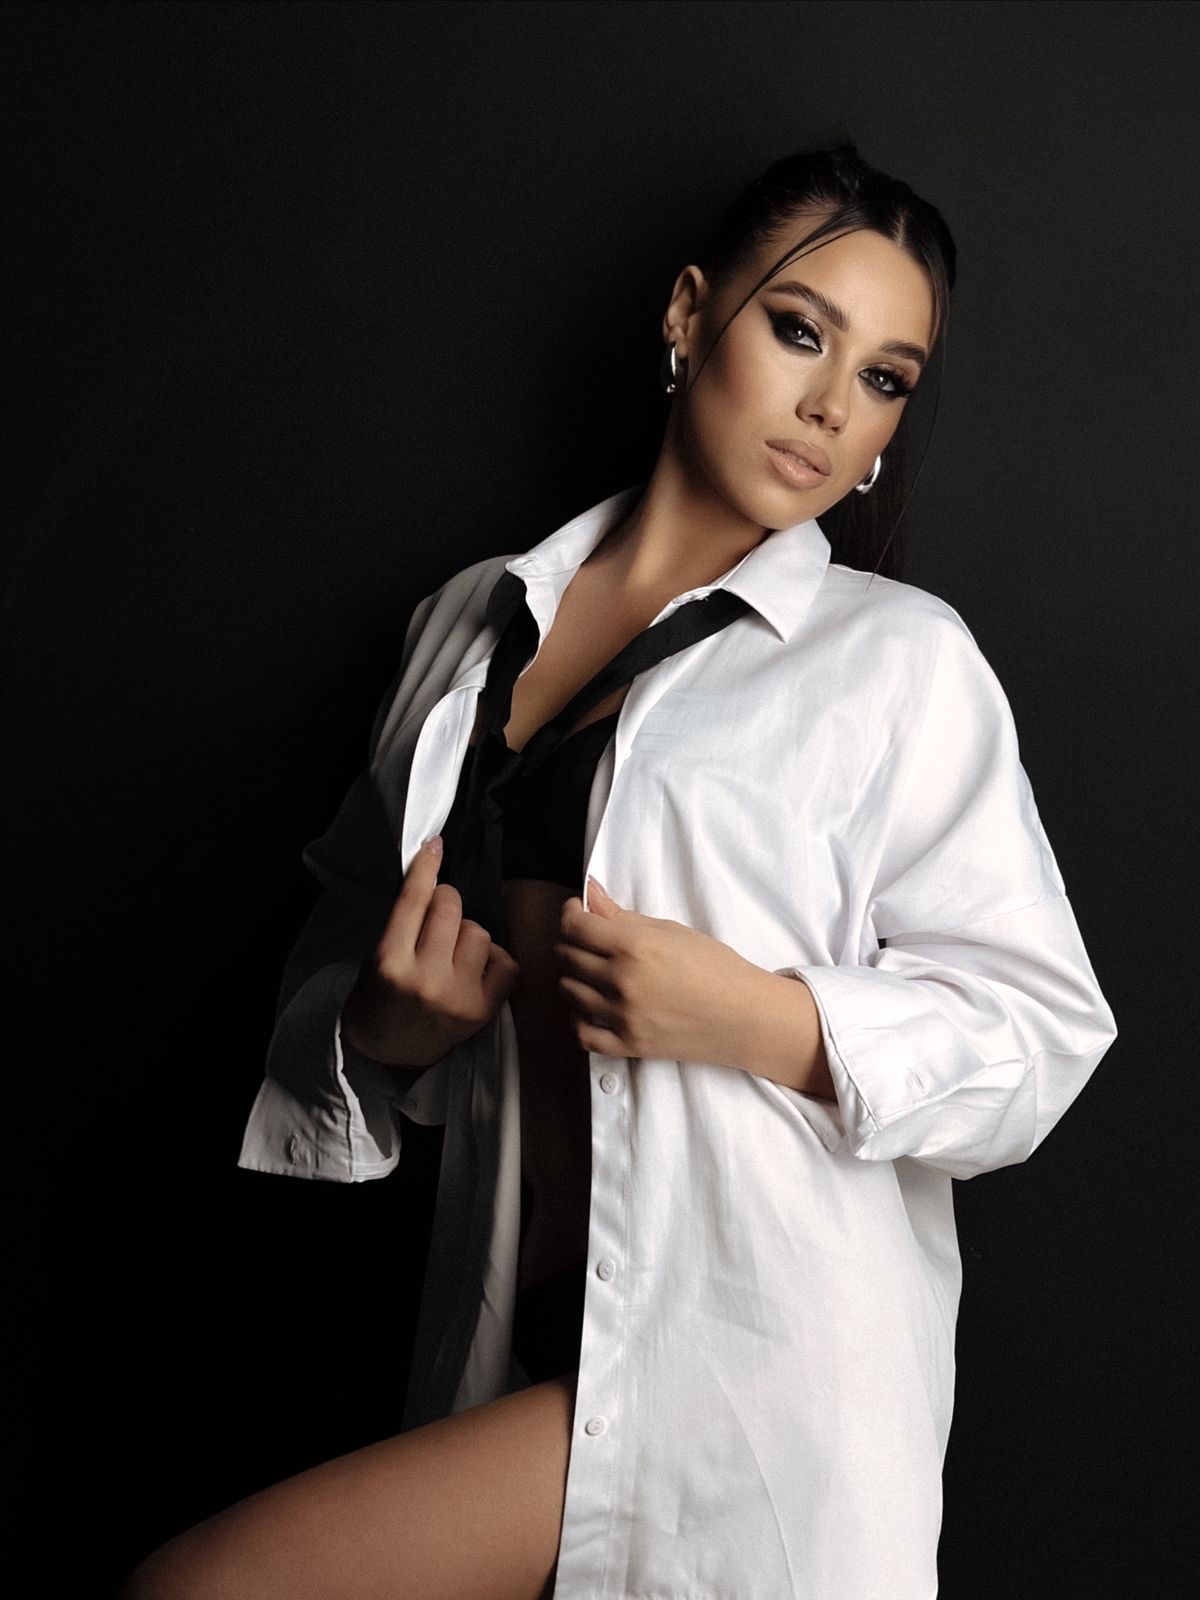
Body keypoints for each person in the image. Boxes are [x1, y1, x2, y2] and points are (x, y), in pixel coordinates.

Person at [120, 142, 1118, 1600]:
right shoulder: (469, 624)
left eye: (885, 377)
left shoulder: (897, 661)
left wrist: (761, 1019)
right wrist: (380, 1032)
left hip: (750, 1384)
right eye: (800, 331)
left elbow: (1040, 1033)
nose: (833, 407)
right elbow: (336, 944)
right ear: (689, 314)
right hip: (516, 1338)